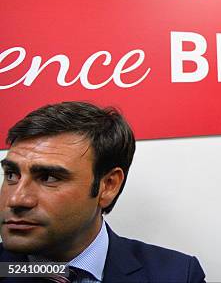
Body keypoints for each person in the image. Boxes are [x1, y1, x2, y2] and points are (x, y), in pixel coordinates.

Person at [0, 101, 206, 283]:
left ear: (108, 186)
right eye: (11, 175)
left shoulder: (177, 275)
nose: (16, 199)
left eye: (48, 178)